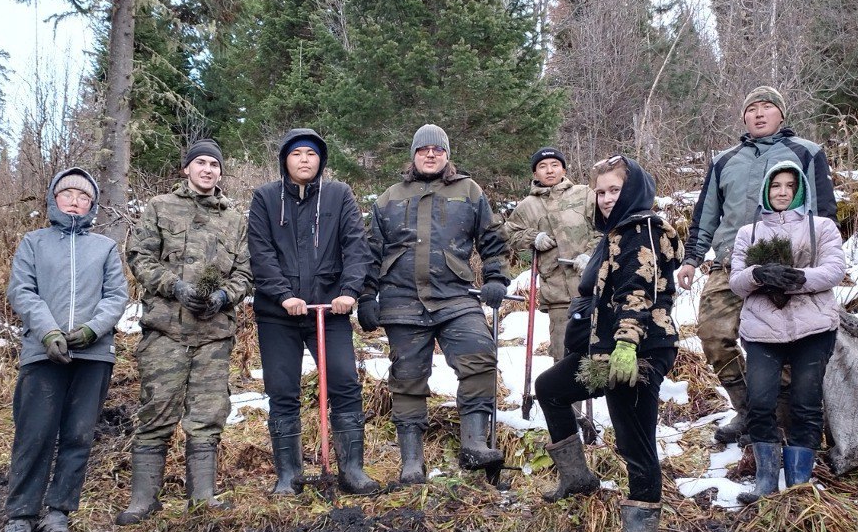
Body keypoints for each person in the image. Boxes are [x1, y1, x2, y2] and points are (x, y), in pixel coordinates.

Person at [533, 156, 681, 532]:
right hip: (607, 349)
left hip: (638, 350)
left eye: (614, 190)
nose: (604, 198)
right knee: (551, 388)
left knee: (635, 437)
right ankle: (577, 477)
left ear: (633, 191)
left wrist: (626, 345)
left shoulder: (643, 231)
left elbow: (639, 292)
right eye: (599, 191)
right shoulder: (616, 234)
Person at [676, 86, 837, 445]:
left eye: (767, 107)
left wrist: (815, 262)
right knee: (713, 333)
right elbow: (707, 215)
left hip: (788, 263)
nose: (759, 114)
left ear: (781, 114)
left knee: (783, 343)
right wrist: (692, 257)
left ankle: (781, 425)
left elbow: (824, 211)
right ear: (744, 117)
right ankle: (749, 410)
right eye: (752, 109)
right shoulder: (725, 160)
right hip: (731, 262)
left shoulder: (806, 152)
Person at [358, 123, 510, 485]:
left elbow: (491, 237)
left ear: (446, 155)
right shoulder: (390, 197)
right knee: (407, 379)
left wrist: (495, 278)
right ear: (413, 155)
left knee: (480, 357)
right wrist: (366, 295)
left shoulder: (468, 190)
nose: (430, 155)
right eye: (424, 150)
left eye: (437, 150)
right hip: (401, 301)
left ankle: (474, 443)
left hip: (456, 297)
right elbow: (370, 251)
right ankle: (412, 463)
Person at [116, 139, 252, 523]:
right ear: (187, 169)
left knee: (208, 414)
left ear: (220, 172)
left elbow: (246, 272)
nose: (208, 170)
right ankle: (143, 500)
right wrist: (175, 286)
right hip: (165, 332)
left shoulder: (235, 219)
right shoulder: (160, 207)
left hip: (214, 334)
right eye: (201, 163)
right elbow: (139, 257)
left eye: (214, 164)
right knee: (156, 411)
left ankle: (202, 496)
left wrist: (224, 295)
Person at [2, 168, 129, 532]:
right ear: (53, 199)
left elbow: (116, 295)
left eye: (83, 195)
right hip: (43, 355)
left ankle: (58, 517)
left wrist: (92, 330)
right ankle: (20, 518)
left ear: (92, 203)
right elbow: (22, 291)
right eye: (67, 193)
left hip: (93, 356)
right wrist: (48, 332)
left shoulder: (105, 247)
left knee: (77, 436)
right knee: (34, 435)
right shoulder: (33, 243)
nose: (75, 200)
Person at [247, 128, 378, 496]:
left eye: (311, 153)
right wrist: (283, 294)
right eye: (297, 153)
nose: (304, 159)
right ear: (285, 160)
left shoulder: (339, 195)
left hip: (330, 312)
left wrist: (350, 291)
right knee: (282, 390)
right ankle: (289, 475)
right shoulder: (266, 198)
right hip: (279, 315)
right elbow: (261, 252)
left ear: (321, 160)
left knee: (344, 384)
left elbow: (356, 245)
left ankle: (352, 470)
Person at [729, 160, 847, 501]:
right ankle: (766, 483)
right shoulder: (747, 233)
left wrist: (797, 279)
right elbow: (736, 281)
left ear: (800, 192)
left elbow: (834, 269)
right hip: (762, 329)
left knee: (806, 403)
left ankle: (798, 485)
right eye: (776, 186)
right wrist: (759, 275)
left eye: (789, 187)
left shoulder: (821, 227)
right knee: (761, 401)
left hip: (814, 327)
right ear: (766, 190)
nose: (782, 192)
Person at [502, 146, 597, 364]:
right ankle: (565, 399)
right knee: (563, 357)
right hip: (557, 293)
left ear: (564, 169)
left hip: (593, 288)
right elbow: (508, 234)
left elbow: (604, 227)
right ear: (535, 174)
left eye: (555, 165)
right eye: (542, 167)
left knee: (595, 355)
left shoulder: (585, 195)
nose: (550, 170)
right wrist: (533, 238)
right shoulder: (528, 206)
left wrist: (591, 256)